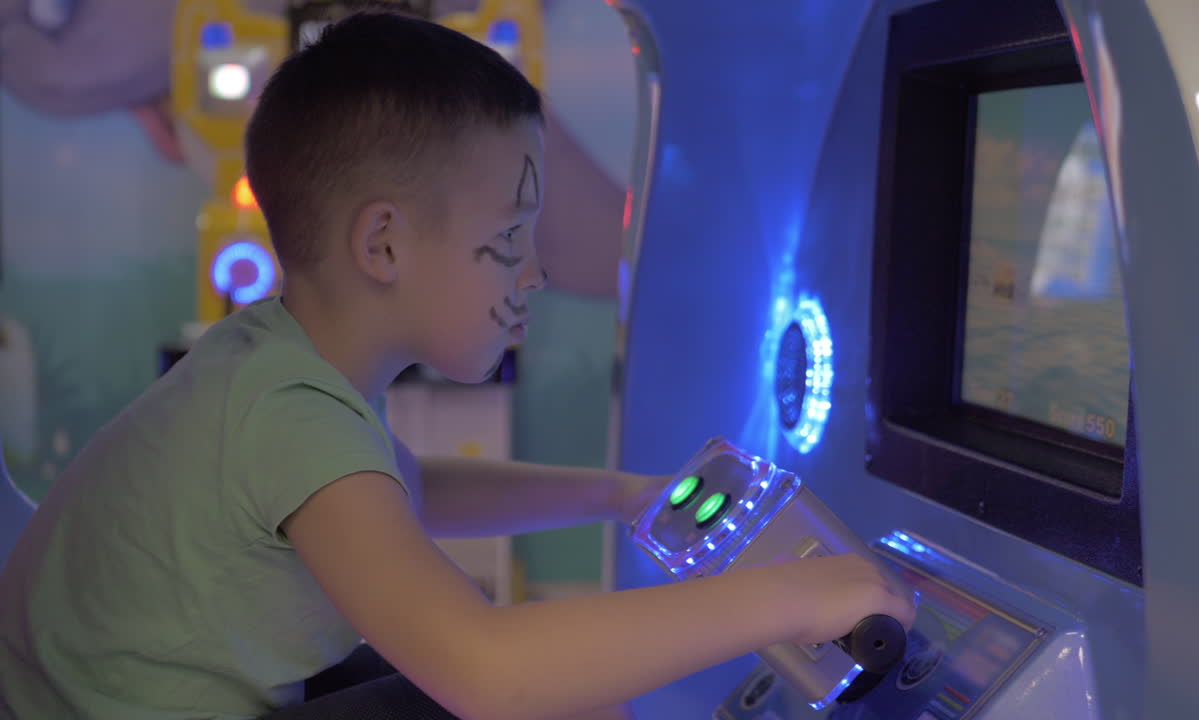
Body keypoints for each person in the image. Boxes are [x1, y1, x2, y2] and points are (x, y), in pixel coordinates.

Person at [0, 12, 915, 720]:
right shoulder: (291, 416)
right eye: (509, 239)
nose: (538, 271)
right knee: (558, 692)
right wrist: (790, 597)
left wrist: (621, 495)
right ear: (385, 244)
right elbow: (486, 672)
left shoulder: (276, 365)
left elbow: (404, 490)